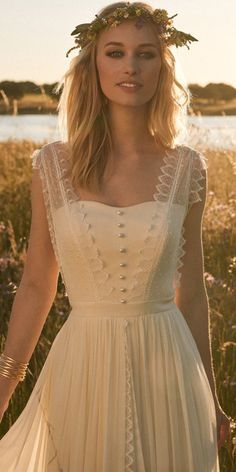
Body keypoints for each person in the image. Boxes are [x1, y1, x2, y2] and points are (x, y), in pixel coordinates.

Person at [0, 2, 233, 470]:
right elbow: (37, 284)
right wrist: (4, 384)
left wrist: (211, 392)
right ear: (93, 64)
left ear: (162, 67)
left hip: (169, 368)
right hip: (83, 367)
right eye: (115, 52)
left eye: (146, 53)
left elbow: (190, 292)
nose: (131, 66)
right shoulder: (51, 165)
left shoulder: (188, 167)